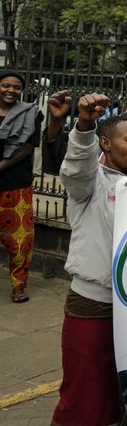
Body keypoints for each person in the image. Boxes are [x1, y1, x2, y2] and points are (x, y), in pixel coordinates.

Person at [48, 94, 127, 426]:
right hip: (93, 303)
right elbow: (75, 168)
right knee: (78, 394)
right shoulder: (90, 183)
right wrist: (82, 124)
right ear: (106, 143)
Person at [0, 70, 42, 303]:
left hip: (15, 185)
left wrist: (2, 165)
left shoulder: (31, 113)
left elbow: (28, 146)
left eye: (16, 87)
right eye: (6, 85)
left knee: (19, 240)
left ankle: (18, 287)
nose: (11, 90)